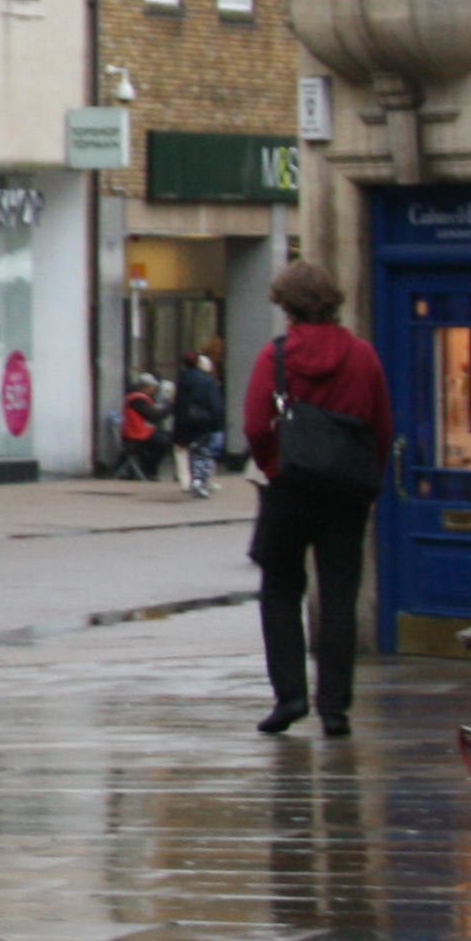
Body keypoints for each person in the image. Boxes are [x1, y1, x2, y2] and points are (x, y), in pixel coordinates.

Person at [242, 259, 396, 738]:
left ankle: (290, 696)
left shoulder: (277, 356)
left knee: (281, 588)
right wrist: (371, 479)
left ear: (287, 306)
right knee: (339, 594)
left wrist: (272, 465)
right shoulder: (362, 355)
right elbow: (381, 426)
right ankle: (335, 709)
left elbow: (252, 423)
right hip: (346, 487)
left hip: (290, 484)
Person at [171, 342, 229, 498]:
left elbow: (177, 402)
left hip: (184, 421)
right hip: (203, 421)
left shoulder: (182, 379)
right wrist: (218, 422)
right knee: (203, 451)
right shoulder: (207, 381)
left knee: (183, 451)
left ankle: (187, 480)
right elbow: (215, 403)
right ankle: (200, 480)